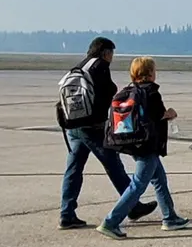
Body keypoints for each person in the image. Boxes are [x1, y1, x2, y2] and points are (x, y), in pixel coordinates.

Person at [56, 37, 156, 230]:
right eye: (111, 53)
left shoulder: (79, 67)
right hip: (92, 127)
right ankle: (133, 206)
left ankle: (66, 214)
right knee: (113, 164)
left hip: (72, 125)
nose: (112, 57)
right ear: (105, 52)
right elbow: (109, 90)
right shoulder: (99, 66)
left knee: (74, 169)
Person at [95, 56, 189, 239]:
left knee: (160, 180)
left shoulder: (128, 91)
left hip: (134, 142)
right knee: (138, 185)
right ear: (149, 73)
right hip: (147, 145)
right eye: (154, 70)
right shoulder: (151, 92)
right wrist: (170, 113)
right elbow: (158, 115)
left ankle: (170, 217)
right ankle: (111, 222)